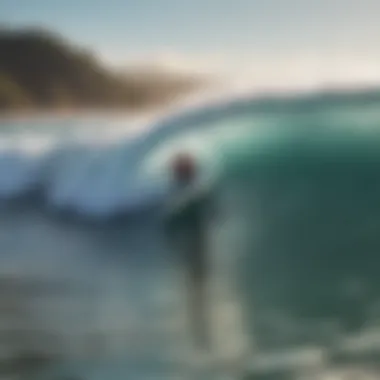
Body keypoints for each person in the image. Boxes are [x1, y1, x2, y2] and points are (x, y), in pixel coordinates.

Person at [164, 153, 216, 352]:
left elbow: (173, 220)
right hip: (195, 242)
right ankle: (201, 327)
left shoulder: (192, 191)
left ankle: (200, 328)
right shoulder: (190, 190)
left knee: (196, 284)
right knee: (197, 285)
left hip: (195, 242)